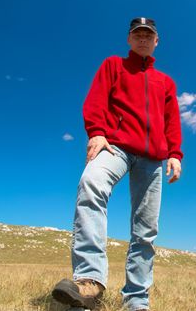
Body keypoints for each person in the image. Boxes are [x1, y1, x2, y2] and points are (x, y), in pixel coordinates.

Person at [51, 17, 183, 311]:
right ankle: (90, 281)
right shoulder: (113, 65)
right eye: (138, 34)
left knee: (145, 231)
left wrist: (175, 153)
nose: (143, 39)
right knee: (91, 183)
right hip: (116, 146)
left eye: (149, 35)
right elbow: (96, 99)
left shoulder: (166, 82)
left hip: (153, 160)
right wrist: (96, 132)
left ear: (156, 41)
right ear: (129, 39)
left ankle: (137, 301)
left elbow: (172, 121)